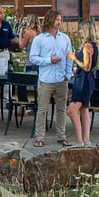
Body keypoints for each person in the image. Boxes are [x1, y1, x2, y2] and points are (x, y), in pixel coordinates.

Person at [28, 9, 73, 146]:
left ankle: (61, 135)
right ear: (50, 20)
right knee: (42, 109)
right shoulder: (39, 39)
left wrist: (68, 73)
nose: (59, 22)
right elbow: (33, 58)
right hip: (46, 79)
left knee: (61, 109)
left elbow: (69, 56)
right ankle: (39, 137)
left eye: (60, 20)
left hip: (61, 78)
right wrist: (48, 60)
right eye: (57, 19)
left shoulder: (64, 38)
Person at [65, 20, 99, 147]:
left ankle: (79, 141)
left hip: (84, 81)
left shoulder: (88, 46)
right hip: (86, 79)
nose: (79, 31)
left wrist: (73, 58)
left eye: (81, 29)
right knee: (84, 110)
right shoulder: (92, 45)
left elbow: (86, 67)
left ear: (87, 30)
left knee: (71, 111)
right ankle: (86, 140)